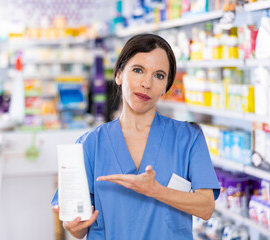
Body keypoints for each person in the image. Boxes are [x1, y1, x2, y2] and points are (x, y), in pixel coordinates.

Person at [51, 33, 220, 240]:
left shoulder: (188, 138)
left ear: (165, 87)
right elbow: (78, 227)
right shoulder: (90, 144)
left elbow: (206, 207)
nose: (146, 83)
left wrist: (156, 190)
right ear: (119, 75)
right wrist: (74, 226)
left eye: (159, 75)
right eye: (138, 70)